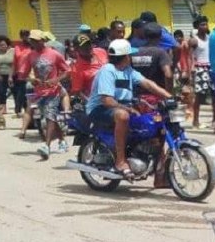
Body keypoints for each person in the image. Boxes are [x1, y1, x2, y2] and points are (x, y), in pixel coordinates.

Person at [86, 39, 173, 176]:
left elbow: (148, 83)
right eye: (129, 55)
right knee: (123, 115)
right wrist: (127, 109)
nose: (131, 57)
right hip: (99, 109)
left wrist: (169, 97)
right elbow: (107, 100)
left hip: (120, 107)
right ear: (125, 57)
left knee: (152, 120)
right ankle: (120, 161)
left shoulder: (128, 70)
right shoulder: (108, 70)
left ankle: (156, 170)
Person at [17, 30, 71, 158]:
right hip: (39, 92)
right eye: (32, 41)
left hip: (53, 91)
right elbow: (23, 74)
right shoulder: (30, 56)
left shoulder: (54, 54)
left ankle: (46, 146)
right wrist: (32, 80)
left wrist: (56, 80)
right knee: (49, 116)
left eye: (36, 40)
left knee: (49, 116)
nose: (34, 43)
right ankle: (62, 140)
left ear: (43, 40)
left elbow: (67, 71)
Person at [131, 22, 173, 95]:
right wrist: (168, 93)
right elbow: (168, 74)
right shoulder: (161, 53)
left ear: (144, 36)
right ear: (160, 36)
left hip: (138, 96)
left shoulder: (134, 52)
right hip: (157, 95)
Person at [189, 16, 214, 129]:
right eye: (202, 24)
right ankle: (195, 120)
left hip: (211, 67)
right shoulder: (194, 40)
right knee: (199, 96)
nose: (204, 26)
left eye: (206, 24)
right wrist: (191, 69)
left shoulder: (210, 38)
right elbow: (190, 56)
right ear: (197, 26)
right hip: (200, 68)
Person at [69, 34, 108, 100]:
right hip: (97, 99)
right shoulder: (77, 69)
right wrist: (89, 102)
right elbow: (78, 91)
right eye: (84, 46)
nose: (88, 47)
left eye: (88, 44)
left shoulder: (101, 51)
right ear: (77, 49)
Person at [12, 29, 31, 117]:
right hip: (20, 73)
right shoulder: (17, 48)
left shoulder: (32, 47)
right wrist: (10, 75)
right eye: (23, 35)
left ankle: (28, 110)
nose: (25, 37)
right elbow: (14, 62)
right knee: (20, 93)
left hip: (31, 73)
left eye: (27, 35)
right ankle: (18, 110)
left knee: (28, 92)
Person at [0, 35, 15, 116]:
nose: (2, 46)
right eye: (0, 45)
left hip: (11, 75)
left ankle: (18, 108)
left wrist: (10, 76)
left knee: (15, 92)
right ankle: (2, 108)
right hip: (1, 75)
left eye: (3, 44)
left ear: (7, 44)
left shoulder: (12, 51)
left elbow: (13, 64)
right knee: (0, 92)